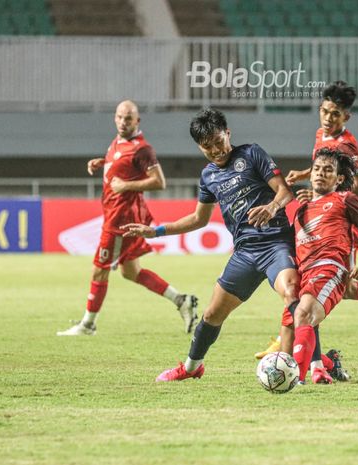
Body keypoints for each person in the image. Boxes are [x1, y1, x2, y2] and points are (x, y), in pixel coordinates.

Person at [121, 108, 300, 382]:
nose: (216, 150)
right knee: (212, 314)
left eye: (219, 141)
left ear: (228, 134)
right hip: (245, 254)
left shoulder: (251, 154)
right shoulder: (208, 176)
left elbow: (285, 191)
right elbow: (197, 219)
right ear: (199, 147)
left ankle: (291, 369)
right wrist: (155, 231)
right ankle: (191, 368)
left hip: (276, 245)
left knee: (292, 295)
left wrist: (272, 206)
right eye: (207, 147)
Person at [256, 81, 358, 369]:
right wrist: (309, 173)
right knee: (346, 288)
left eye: (335, 114)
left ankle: (300, 342)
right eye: (325, 111)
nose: (328, 118)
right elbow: (325, 163)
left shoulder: (346, 145)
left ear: (346, 117)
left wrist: (325, 197)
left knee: (346, 285)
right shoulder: (322, 134)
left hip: (341, 219)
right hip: (324, 208)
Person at [57, 100, 198, 336]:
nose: (124, 122)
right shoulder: (118, 143)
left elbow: (159, 182)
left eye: (129, 118)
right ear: (115, 118)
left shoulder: (142, 149)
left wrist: (126, 185)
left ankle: (88, 325)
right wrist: (103, 163)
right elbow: (123, 165)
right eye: (120, 117)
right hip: (117, 214)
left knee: (99, 270)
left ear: (137, 121)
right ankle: (182, 300)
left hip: (121, 220)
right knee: (130, 272)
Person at [287, 148, 358, 383]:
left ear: (339, 179)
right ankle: (328, 363)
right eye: (317, 169)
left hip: (331, 268)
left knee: (304, 314)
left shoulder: (346, 199)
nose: (320, 173)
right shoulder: (302, 209)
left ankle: (296, 379)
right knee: (300, 323)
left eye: (328, 170)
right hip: (306, 273)